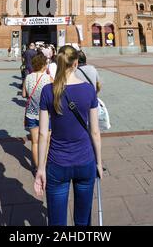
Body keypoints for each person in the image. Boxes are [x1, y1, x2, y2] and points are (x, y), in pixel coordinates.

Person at [34, 45, 102, 226]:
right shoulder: (88, 89)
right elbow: (95, 132)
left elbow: (42, 134)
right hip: (85, 161)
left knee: (57, 223)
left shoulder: (48, 91)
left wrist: (40, 168)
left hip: (57, 164)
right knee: (82, 222)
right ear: (76, 64)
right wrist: (99, 163)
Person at [22, 53, 52, 172]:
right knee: (47, 142)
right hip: (45, 114)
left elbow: (24, 94)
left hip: (31, 113)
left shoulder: (28, 77)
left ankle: (37, 168)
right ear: (44, 65)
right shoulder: (48, 78)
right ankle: (45, 167)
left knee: (35, 142)